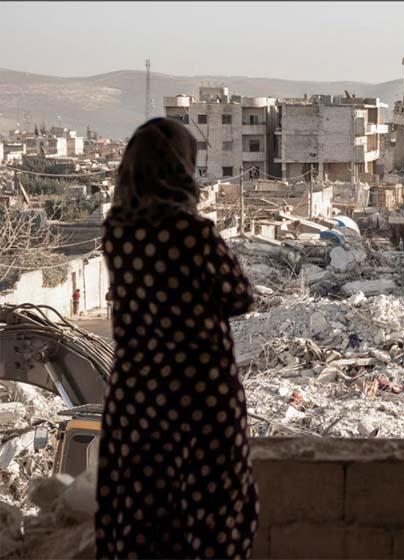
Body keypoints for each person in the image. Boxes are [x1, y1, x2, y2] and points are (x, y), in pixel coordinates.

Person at [96, 117, 258, 559]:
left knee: (145, 511)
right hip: (199, 394)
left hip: (137, 396)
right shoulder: (194, 233)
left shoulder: (116, 233)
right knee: (210, 509)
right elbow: (240, 296)